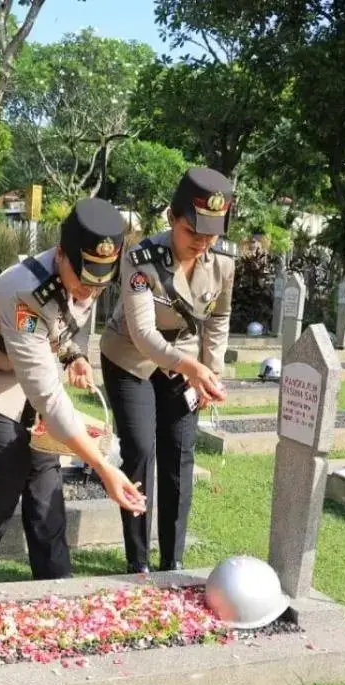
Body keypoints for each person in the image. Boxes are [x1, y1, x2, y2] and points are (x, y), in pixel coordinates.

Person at [0, 198, 148, 586]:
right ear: (61, 254)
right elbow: (48, 398)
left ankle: (55, 579)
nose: (89, 290)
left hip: (18, 362)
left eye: (100, 280)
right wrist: (104, 468)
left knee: (46, 464)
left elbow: (67, 322)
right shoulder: (25, 293)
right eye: (83, 277)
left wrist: (74, 355)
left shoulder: (87, 277)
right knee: (8, 465)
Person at [100, 167, 236, 573]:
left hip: (184, 366)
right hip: (131, 360)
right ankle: (137, 560)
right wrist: (192, 366)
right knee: (140, 450)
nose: (202, 242)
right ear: (172, 218)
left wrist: (209, 372)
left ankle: (172, 560)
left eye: (211, 233)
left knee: (180, 453)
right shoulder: (140, 260)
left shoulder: (223, 265)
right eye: (193, 230)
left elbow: (219, 318)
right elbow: (142, 333)